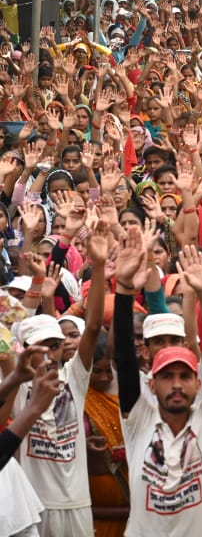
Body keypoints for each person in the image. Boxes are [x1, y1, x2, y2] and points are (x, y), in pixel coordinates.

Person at [112, 227, 202, 536]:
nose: (176, 384)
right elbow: (123, 357)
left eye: (185, 376)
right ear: (152, 384)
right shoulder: (139, 418)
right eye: (167, 376)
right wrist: (122, 288)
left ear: (198, 383)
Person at [6, 202, 104, 537]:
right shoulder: (16, 384)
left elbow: (91, 329)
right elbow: (8, 325)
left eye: (55, 344)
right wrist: (30, 240)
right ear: (25, 352)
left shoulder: (74, 377)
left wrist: (99, 263)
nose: (50, 351)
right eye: (41, 346)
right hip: (33, 505)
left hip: (76, 504)